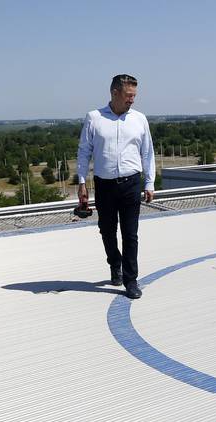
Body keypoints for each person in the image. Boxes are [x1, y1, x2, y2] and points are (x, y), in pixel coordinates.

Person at [76, 74, 156, 299]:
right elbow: (84, 152)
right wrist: (82, 182)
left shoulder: (140, 119)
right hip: (105, 185)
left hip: (131, 183)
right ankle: (114, 262)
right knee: (107, 230)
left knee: (130, 234)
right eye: (129, 95)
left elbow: (147, 153)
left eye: (134, 96)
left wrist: (149, 182)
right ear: (115, 93)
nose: (132, 100)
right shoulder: (94, 118)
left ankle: (131, 280)